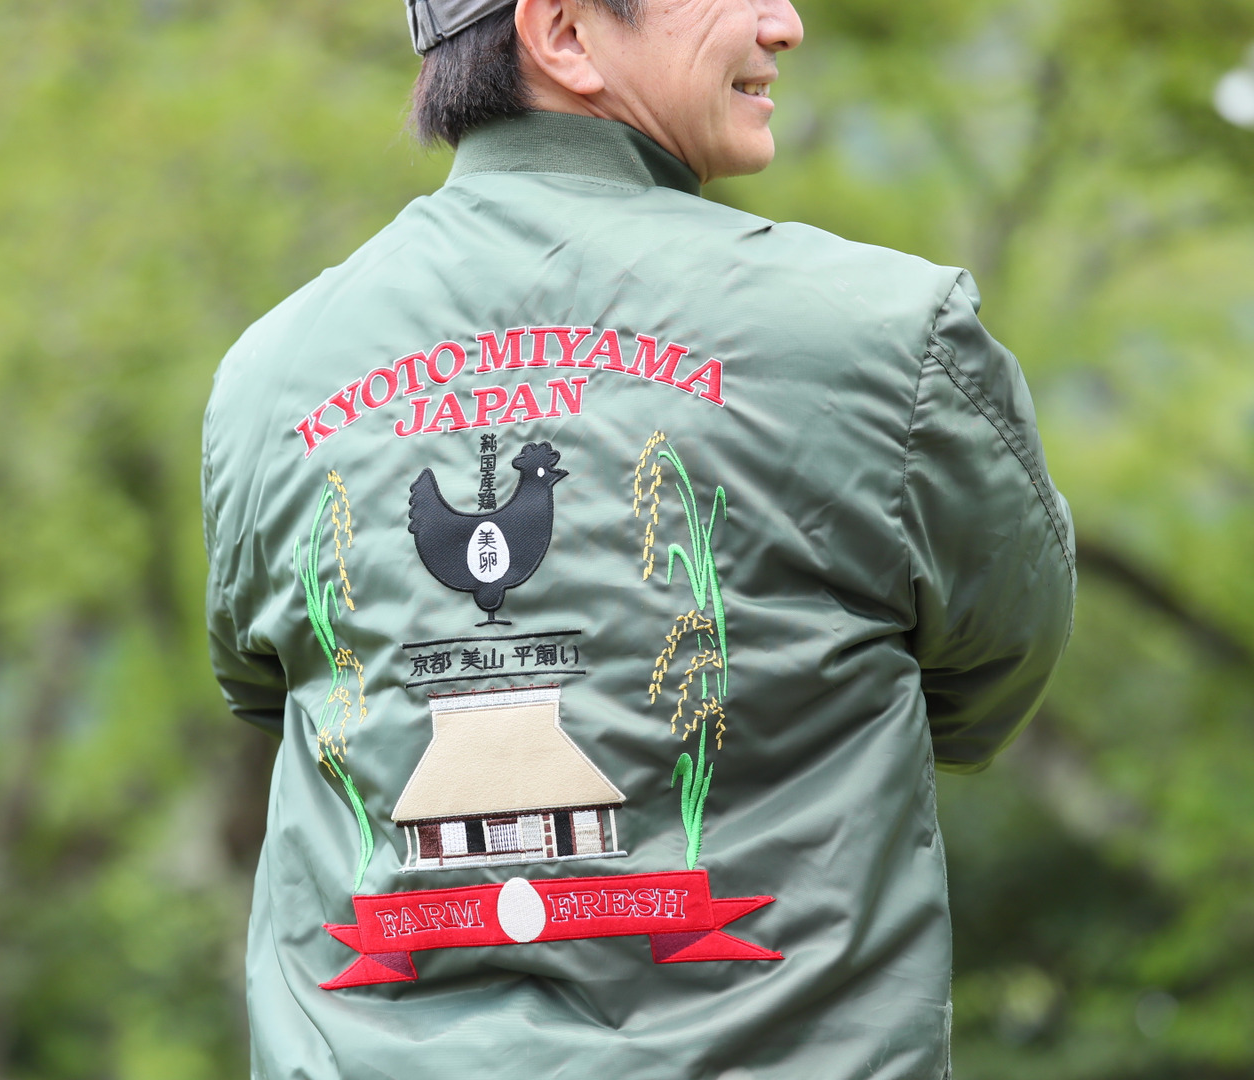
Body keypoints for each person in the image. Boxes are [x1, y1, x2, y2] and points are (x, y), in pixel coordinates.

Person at [201, 0, 1076, 1076]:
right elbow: (989, 681)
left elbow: (279, 698)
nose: (786, 23)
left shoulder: (268, 379)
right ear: (565, 33)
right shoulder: (887, 338)